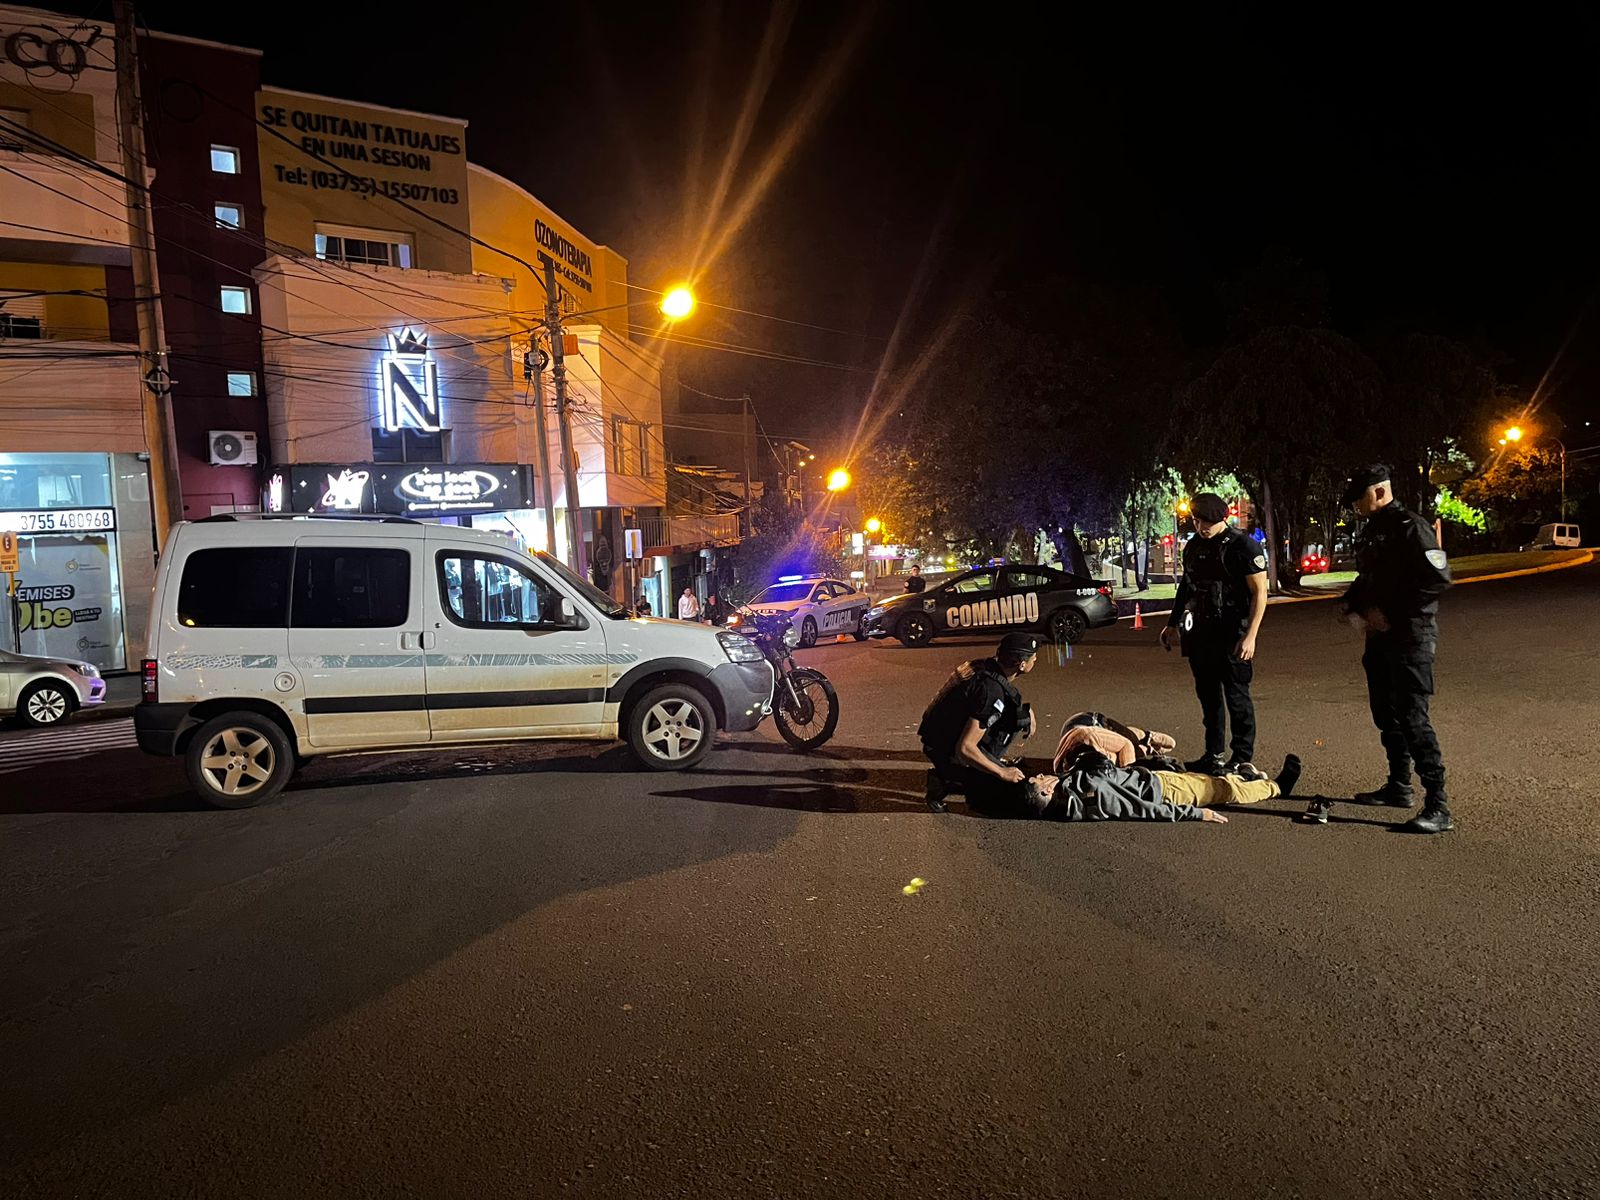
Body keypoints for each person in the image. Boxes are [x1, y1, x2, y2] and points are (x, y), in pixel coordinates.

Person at [1302, 465, 1454, 833]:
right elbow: (1369, 578)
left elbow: (1437, 579)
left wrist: (1388, 614)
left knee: (1413, 719)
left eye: (1358, 496)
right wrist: (1352, 603)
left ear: (1379, 492)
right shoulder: (1374, 530)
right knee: (1386, 715)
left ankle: (1438, 805)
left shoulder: (1410, 527)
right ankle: (1399, 786)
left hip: (1410, 638)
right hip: (1381, 640)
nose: (1354, 504)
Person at [1159, 493, 1269, 779]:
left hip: (1233, 633)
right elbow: (1187, 587)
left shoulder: (1243, 546)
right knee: (1209, 699)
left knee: (1237, 698)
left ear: (1222, 518)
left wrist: (1251, 636)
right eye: (1197, 521)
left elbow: (1260, 592)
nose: (1201, 527)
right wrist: (1172, 624)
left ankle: (1242, 758)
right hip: (1200, 635)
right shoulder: (1193, 547)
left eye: (1207, 521)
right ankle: (1214, 755)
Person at [1036, 710, 1303, 822]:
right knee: (1222, 791)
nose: (1039, 776)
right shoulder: (1092, 787)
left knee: (1207, 782)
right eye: (1038, 781)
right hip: (1161, 790)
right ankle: (1276, 787)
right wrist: (1198, 815)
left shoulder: (1070, 784)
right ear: (1047, 791)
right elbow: (1141, 810)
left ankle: (1247, 779)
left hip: (1154, 781)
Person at [918, 632, 1039, 814]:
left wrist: (1027, 712)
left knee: (1019, 716)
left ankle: (976, 765)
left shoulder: (984, 666)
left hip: (940, 733)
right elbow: (965, 748)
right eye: (1033, 657)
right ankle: (945, 780)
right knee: (1007, 790)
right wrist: (1001, 772)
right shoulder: (990, 692)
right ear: (1022, 664)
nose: (1035, 660)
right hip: (943, 748)